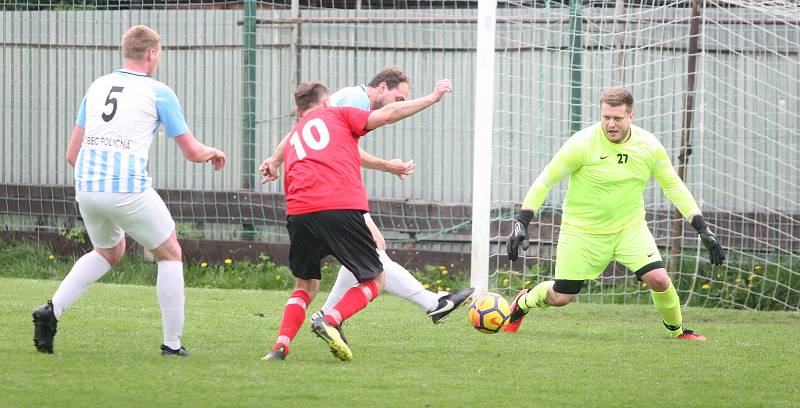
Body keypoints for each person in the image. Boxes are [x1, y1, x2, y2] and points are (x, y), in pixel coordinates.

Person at [31, 25, 226, 357]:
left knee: (109, 252)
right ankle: (172, 344)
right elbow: (192, 152)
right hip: (127, 188)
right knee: (170, 253)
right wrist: (213, 152)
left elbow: (71, 154)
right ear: (152, 53)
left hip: (87, 187)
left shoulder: (97, 87)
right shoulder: (159, 92)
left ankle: (52, 310)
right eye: (159, 53)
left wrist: (95, 181)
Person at [505, 86, 725, 340]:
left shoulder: (648, 146)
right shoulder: (582, 144)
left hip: (628, 229)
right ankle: (524, 302)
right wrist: (522, 221)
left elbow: (674, 187)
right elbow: (545, 180)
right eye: (605, 117)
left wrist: (701, 226)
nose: (610, 124)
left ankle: (679, 332)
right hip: (582, 231)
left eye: (617, 118)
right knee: (562, 296)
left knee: (660, 280)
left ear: (631, 116)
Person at [260, 67, 473, 329]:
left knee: (362, 259)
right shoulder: (355, 100)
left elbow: (312, 134)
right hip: (331, 197)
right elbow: (319, 139)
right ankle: (432, 303)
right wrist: (367, 214)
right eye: (399, 99)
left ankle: (326, 315)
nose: (400, 106)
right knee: (373, 254)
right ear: (382, 87)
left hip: (319, 199)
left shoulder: (351, 103)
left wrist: (275, 159)